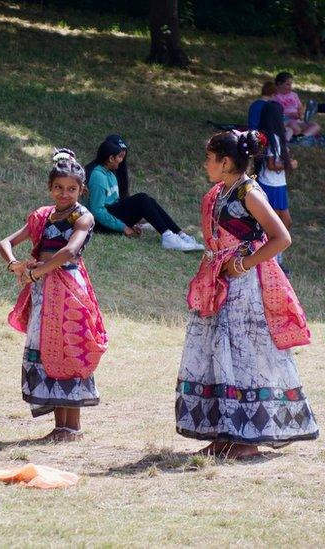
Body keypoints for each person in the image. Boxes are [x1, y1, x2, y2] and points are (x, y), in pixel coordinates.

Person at [178, 130, 318, 458]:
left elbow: (281, 237)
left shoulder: (249, 193)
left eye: (210, 158)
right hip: (220, 283)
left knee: (244, 354)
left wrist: (243, 264)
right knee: (219, 353)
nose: (206, 164)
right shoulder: (222, 191)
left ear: (226, 162)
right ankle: (224, 435)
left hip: (245, 287)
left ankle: (247, 439)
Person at [0, 149, 107, 442]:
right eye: (59, 188)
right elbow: (5, 242)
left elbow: (70, 251)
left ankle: (73, 427)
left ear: (81, 190)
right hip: (44, 291)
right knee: (49, 350)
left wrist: (38, 271)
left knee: (68, 348)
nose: (64, 193)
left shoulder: (82, 216)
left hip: (69, 289)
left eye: (71, 189)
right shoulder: (42, 216)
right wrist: (15, 264)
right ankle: (61, 427)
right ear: (50, 188)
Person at [84, 134, 204, 251]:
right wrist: (123, 227)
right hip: (100, 225)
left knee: (148, 200)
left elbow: (117, 204)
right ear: (110, 158)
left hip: (110, 216)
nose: (121, 161)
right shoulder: (98, 176)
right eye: (120, 157)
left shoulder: (110, 174)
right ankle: (168, 237)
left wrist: (130, 223)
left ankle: (180, 235)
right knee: (141, 198)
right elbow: (97, 211)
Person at [255, 101, 297, 233]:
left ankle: (275, 250)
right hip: (272, 184)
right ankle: (271, 250)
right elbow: (271, 165)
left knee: (283, 220)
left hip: (277, 183)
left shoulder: (268, 137)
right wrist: (289, 164)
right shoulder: (272, 139)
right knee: (278, 221)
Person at [273, 72, 321, 142]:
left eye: (291, 84)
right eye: (287, 84)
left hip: (297, 120)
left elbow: (300, 107)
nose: (290, 87)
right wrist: (289, 115)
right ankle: (299, 135)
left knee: (316, 126)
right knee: (295, 127)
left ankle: (300, 137)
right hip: (284, 121)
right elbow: (273, 112)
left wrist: (300, 114)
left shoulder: (294, 95)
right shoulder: (274, 96)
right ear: (279, 84)